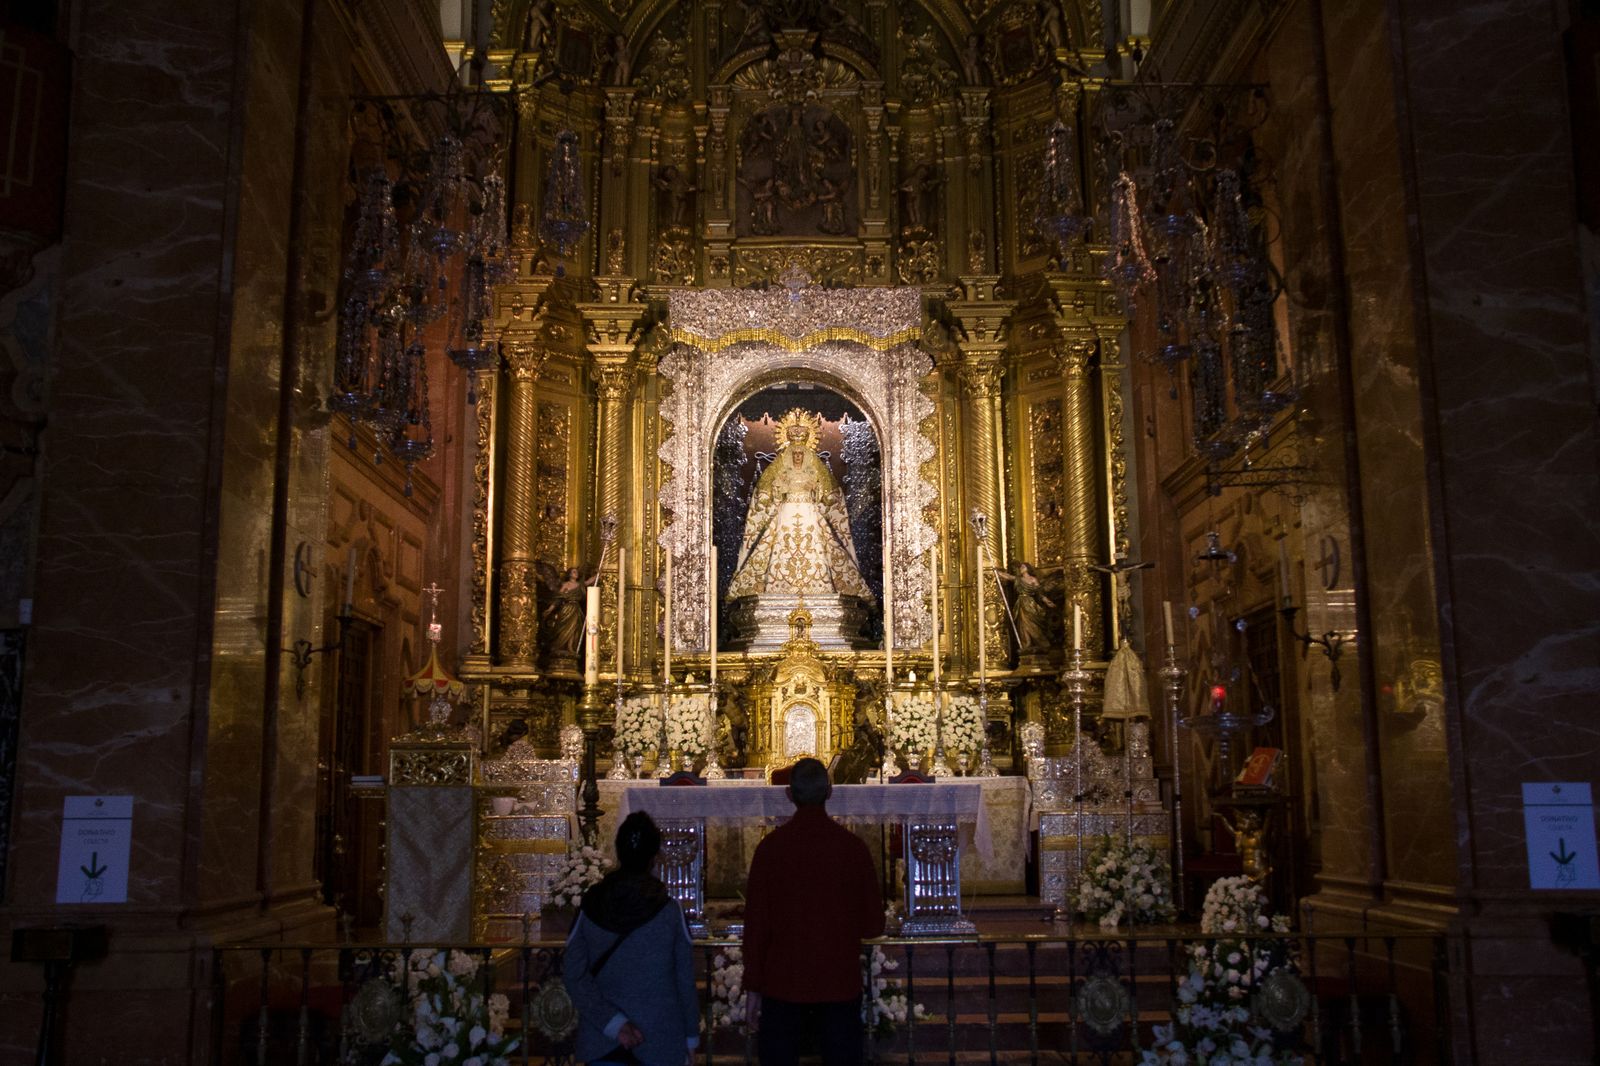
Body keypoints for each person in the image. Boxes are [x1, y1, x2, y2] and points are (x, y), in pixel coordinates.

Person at [743, 758, 884, 1066]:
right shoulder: (852, 848)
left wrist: (753, 986)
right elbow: (873, 924)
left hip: (783, 982)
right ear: (829, 792)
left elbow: (756, 926)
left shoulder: (770, 850)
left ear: (789, 795)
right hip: (838, 982)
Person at [563, 813, 699, 1065]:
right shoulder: (669, 911)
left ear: (618, 850)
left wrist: (613, 1023)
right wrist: (691, 1038)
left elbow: (573, 973)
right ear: (654, 857)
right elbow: (684, 981)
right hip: (659, 1040)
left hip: (603, 1040)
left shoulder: (591, 904)